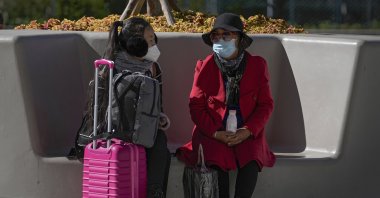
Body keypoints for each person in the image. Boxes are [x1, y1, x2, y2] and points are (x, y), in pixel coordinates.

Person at [183, 13, 276, 198]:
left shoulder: (257, 65)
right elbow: (196, 107)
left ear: (239, 39)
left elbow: (265, 105)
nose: (220, 39)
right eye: (215, 35)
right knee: (215, 157)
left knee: (251, 158)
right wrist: (216, 133)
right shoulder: (204, 66)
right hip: (212, 132)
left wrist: (247, 130)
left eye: (226, 35)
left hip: (246, 131)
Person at [104, 17, 171, 198]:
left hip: (145, 129)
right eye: (149, 41)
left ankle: (155, 192)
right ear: (135, 44)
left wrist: (160, 118)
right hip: (118, 129)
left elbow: (156, 105)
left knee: (161, 145)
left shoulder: (153, 68)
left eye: (153, 39)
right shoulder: (112, 67)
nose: (153, 44)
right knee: (156, 144)